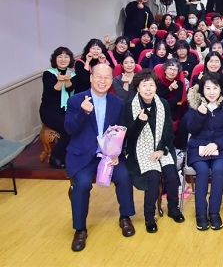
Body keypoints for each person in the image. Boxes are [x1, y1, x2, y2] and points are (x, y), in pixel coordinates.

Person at [64, 63, 135, 251]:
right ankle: (80, 229)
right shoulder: (76, 101)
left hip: (110, 155)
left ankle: (125, 217)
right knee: (82, 184)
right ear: (91, 78)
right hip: (83, 156)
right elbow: (69, 128)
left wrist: (118, 153)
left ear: (112, 80)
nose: (102, 81)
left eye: (107, 77)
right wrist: (82, 112)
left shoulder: (118, 103)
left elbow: (122, 131)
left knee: (124, 177)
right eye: (99, 76)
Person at [122, 69, 184, 234]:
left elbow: (169, 130)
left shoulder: (162, 103)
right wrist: (139, 122)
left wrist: (162, 149)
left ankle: (173, 208)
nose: (148, 89)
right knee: (153, 177)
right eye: (144, 85)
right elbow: (129, 135)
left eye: (151, 85)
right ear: (138, 88)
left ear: (156, 87)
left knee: (171, 175)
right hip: (139, 150)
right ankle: (149, 216)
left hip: (162, 147)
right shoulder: (129, 106)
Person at [186, 72, 223, 230]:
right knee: (201, 171)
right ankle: (201, 214)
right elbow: (190, 129)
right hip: (198, 150)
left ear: (221, 89)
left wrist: (216, 144)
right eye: (207, 88)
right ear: (202, 90)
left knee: (217, 171)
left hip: (219, 150)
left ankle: (214, 212)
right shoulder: (195, 107)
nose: (211, 92)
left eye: (215, 88)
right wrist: (200, 115)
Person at [40, 47, 77, 169]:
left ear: (70, 59)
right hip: (49, 110)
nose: (63, 59)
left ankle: (70, 155)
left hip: (66, 110)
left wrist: (66, 80)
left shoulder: (73, 74)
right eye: (60, 56)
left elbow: (70, 89)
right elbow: (53, 90)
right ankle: (55, 157)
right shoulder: (48, 73)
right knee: (68, 129)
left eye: (66, 57)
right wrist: (60, 80)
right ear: (55, 59)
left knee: (77, 126)